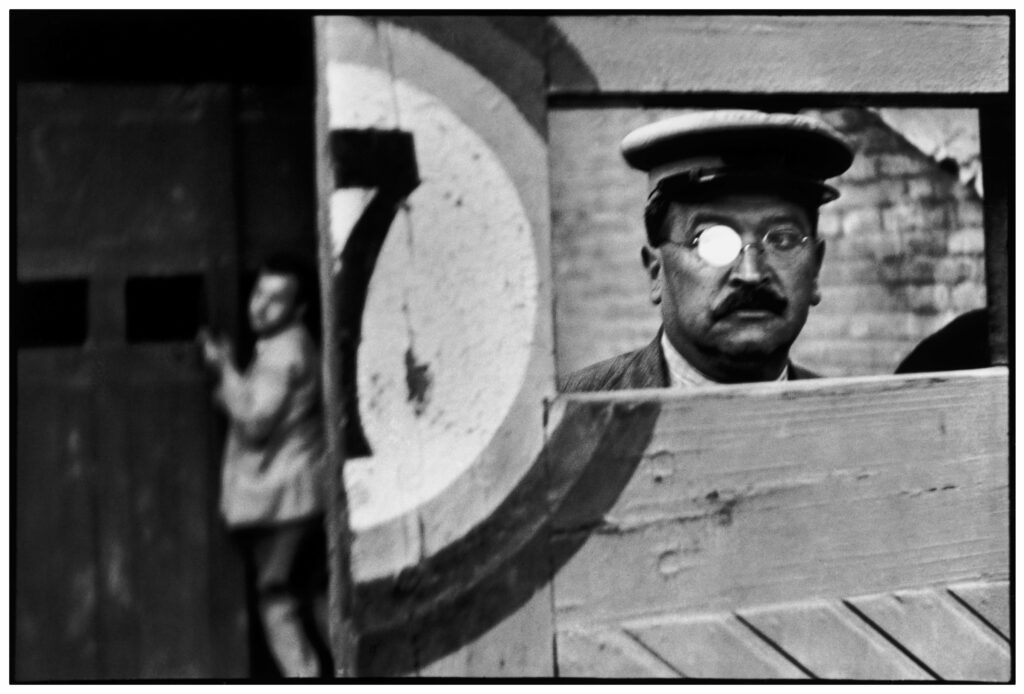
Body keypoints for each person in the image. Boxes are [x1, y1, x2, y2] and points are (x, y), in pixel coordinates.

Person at [563, 110, 854, 391]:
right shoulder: (568, 418)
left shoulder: (854, 422)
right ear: (656, 272)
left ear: (815, 270)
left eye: (782, 240)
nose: (750, 274)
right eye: (711, 242)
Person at [200, 252, 330, 678]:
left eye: (275, 300)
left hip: (285, 500)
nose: (259, 305)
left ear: (299, 310)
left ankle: (304, 677)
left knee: (276, 597)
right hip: (304, 495)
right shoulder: (293, 344)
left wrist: (223, 370)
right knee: (314, 591)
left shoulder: (282, 351)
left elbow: (256, 420)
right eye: (259, 292)